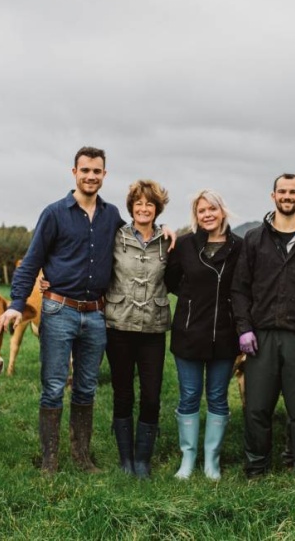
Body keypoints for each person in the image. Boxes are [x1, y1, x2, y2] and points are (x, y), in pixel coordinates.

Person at [0, 146, 123, 475]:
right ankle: (50, 460)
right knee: (53, 385)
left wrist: (165, 230)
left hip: (96, 314)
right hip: (58, 310)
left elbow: (136, 238)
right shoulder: (54, 213)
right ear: (74, 173)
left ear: (104, 175)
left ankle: (81, 456)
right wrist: (16, 304)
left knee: (86, 386)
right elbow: (32, 261)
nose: (91, 176)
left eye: (97, 171)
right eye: (85, 171)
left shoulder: (111, 216)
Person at [231, 174, 295, 478]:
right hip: (261, 337)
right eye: (282, 191)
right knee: (257, 409)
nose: (287, 196)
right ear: (273, 195)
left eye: (293, 192)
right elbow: (240, 289)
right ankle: (256, 468)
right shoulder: (254, 238)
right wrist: (244, 328)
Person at [165, 189, 243, 480]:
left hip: (225, 334)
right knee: (188, 396)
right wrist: (190, 301)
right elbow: (170, 280)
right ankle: (188, 459)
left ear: (222, 211)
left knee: (218, 397)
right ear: (195, 216)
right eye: (202, 211)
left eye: (213, 209)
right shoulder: (184, 245)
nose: (208, 214)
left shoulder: (240, 246)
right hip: (188, 333)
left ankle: (212, 461)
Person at [104, 180, 171, 479]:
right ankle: (125, 459)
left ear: (157, 209)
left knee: (152, 395)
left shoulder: (167, 241)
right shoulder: (115, 237)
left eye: (150, 204)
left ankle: (143, 460)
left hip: (153, 328)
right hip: (119, 325)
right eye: (139, 203)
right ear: (131, 206)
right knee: (122, 394)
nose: (144, 209)